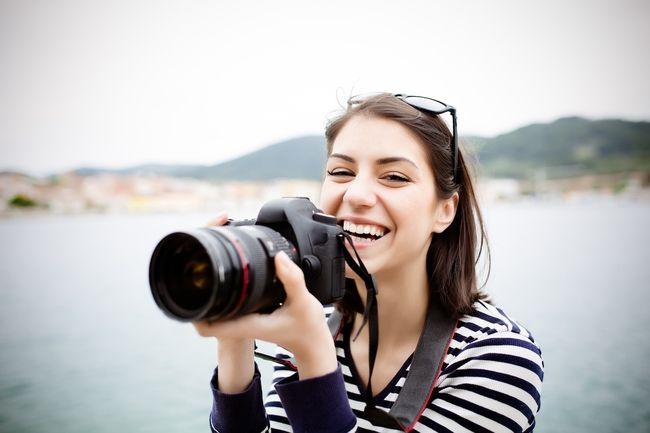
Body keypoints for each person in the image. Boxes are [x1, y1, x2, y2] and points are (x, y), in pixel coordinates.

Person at [193, 93, 544, 432]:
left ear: (444, 210)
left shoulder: (496, 359)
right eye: (341, 172)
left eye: (394, 177)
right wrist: (235, 339)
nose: (356, 194)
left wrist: (313, 356)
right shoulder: (317, 329)